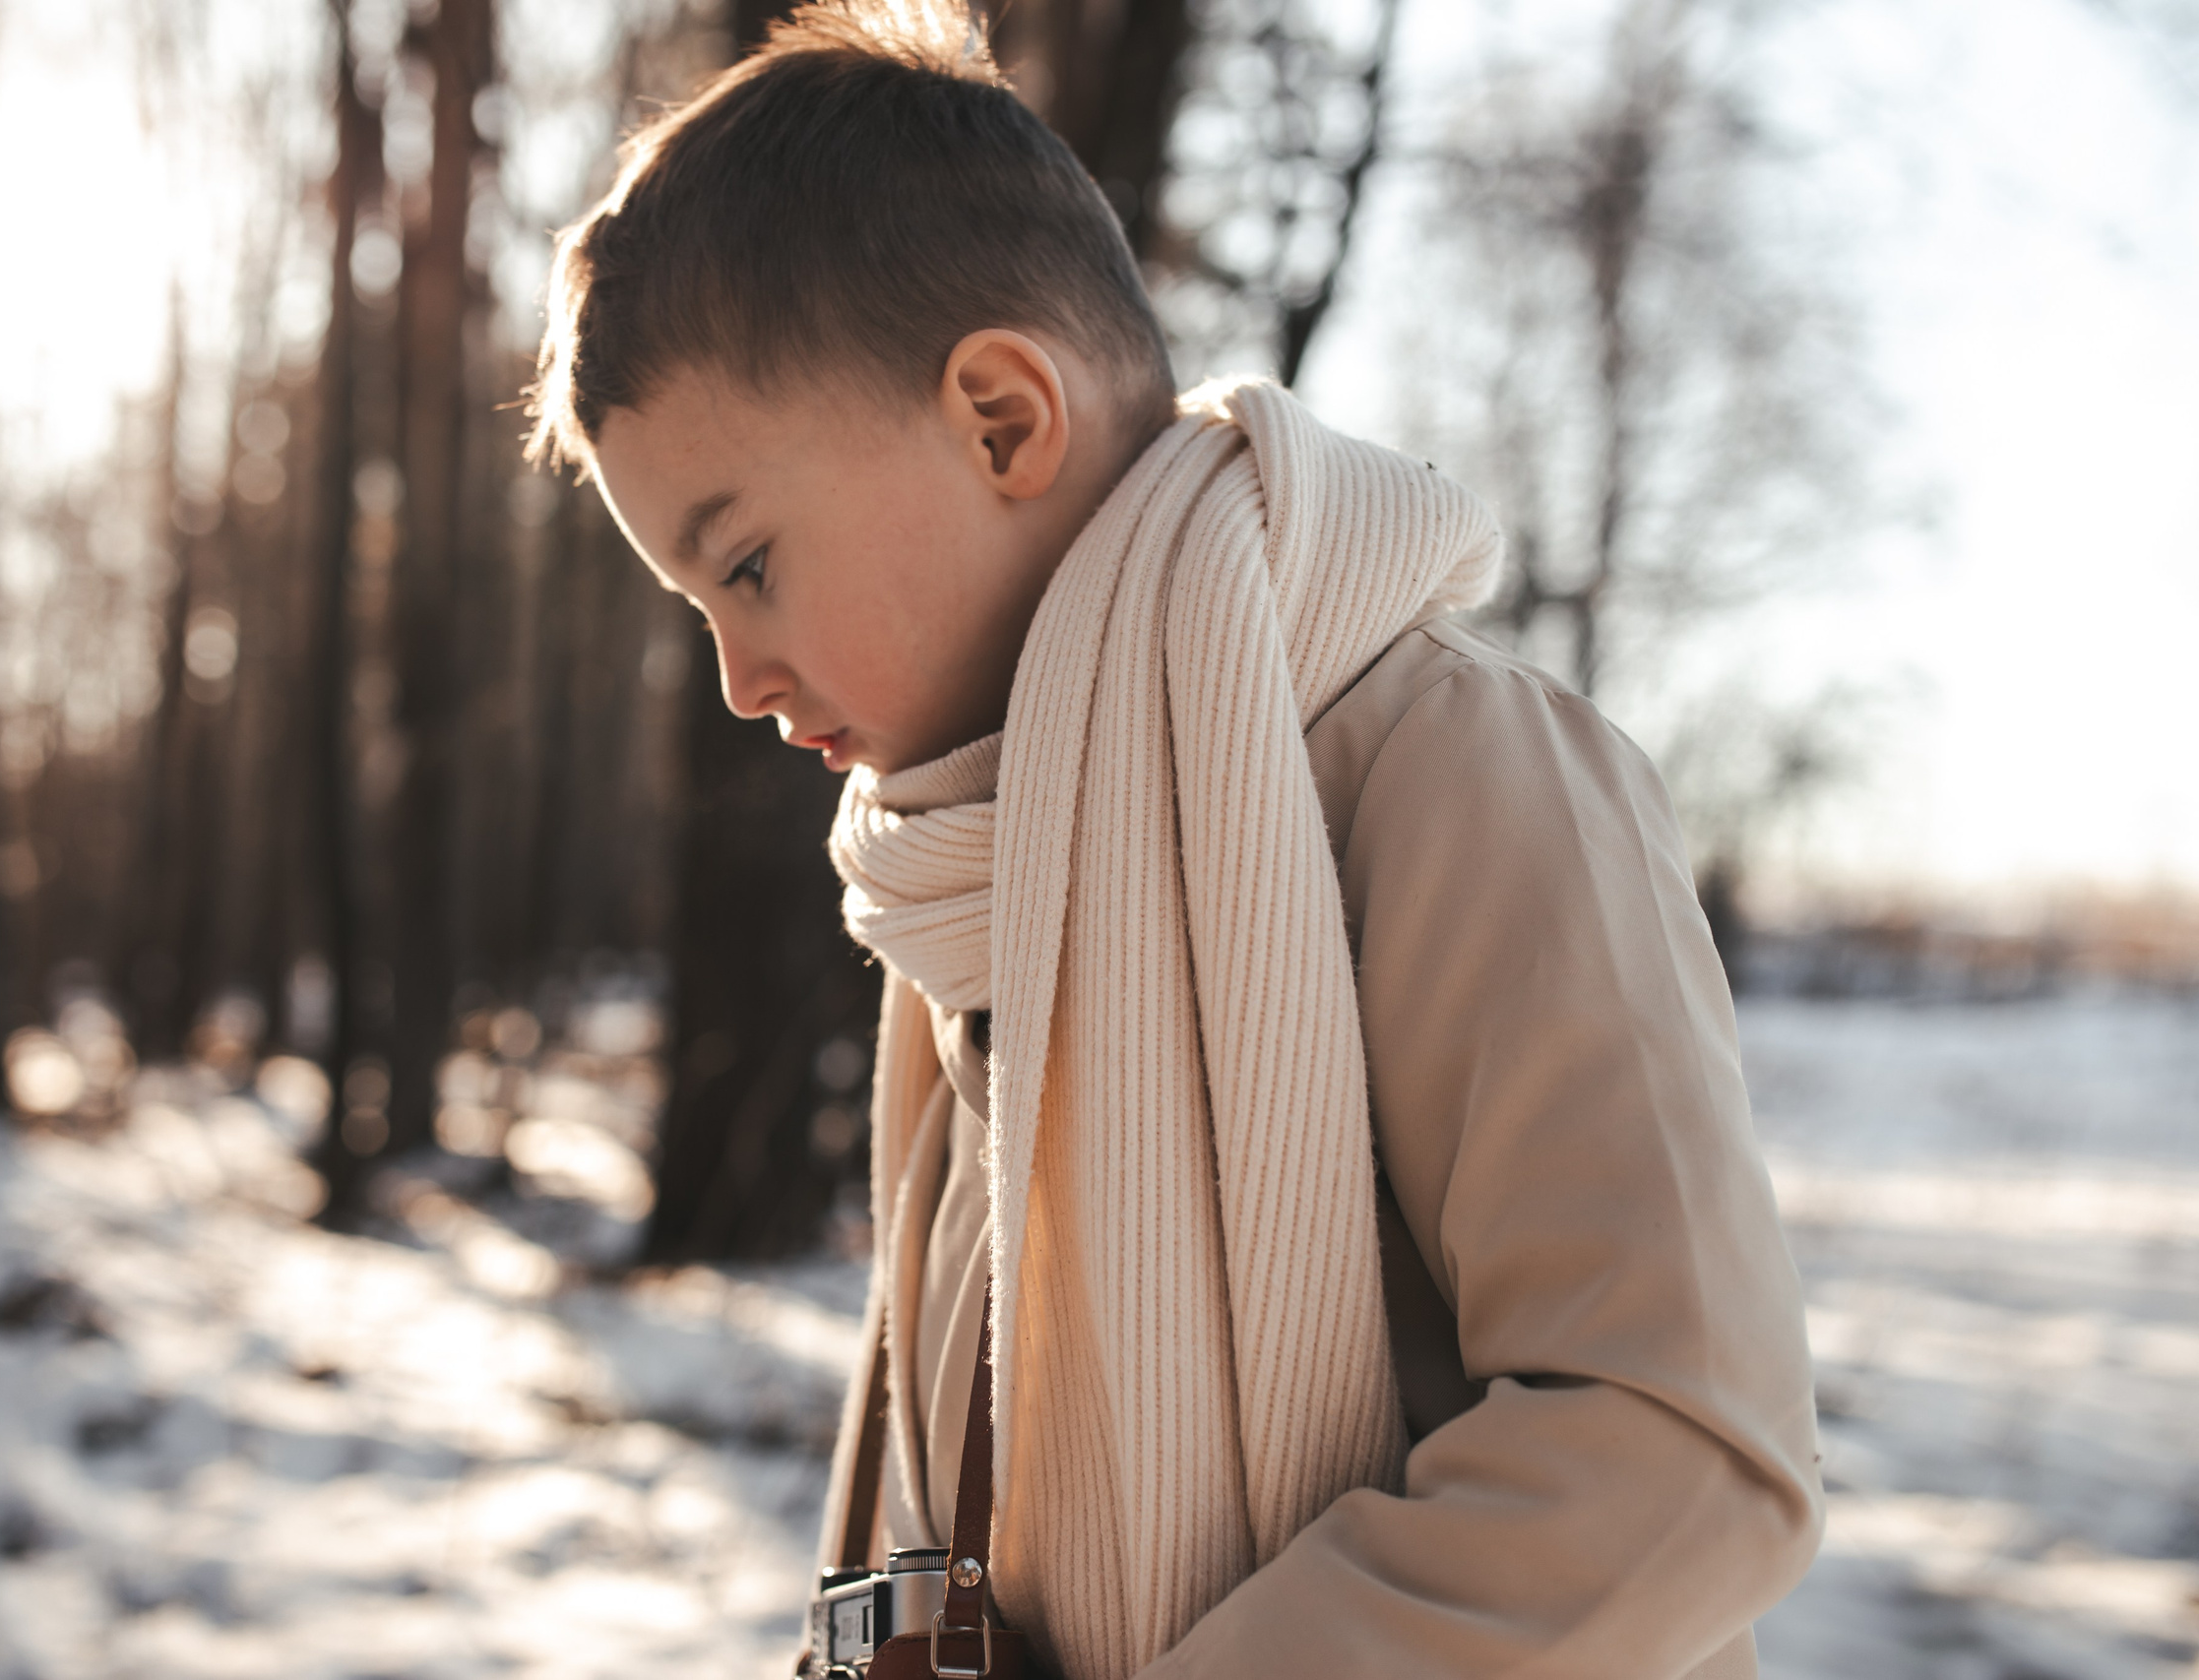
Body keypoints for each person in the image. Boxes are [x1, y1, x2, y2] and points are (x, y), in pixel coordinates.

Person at [524, 1, 1824, 1674]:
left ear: (1002, 419)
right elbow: (953, 1506)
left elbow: (1681, 1452)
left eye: (749, 565)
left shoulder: (1449, 770)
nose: (738, 679)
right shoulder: (972, 885)